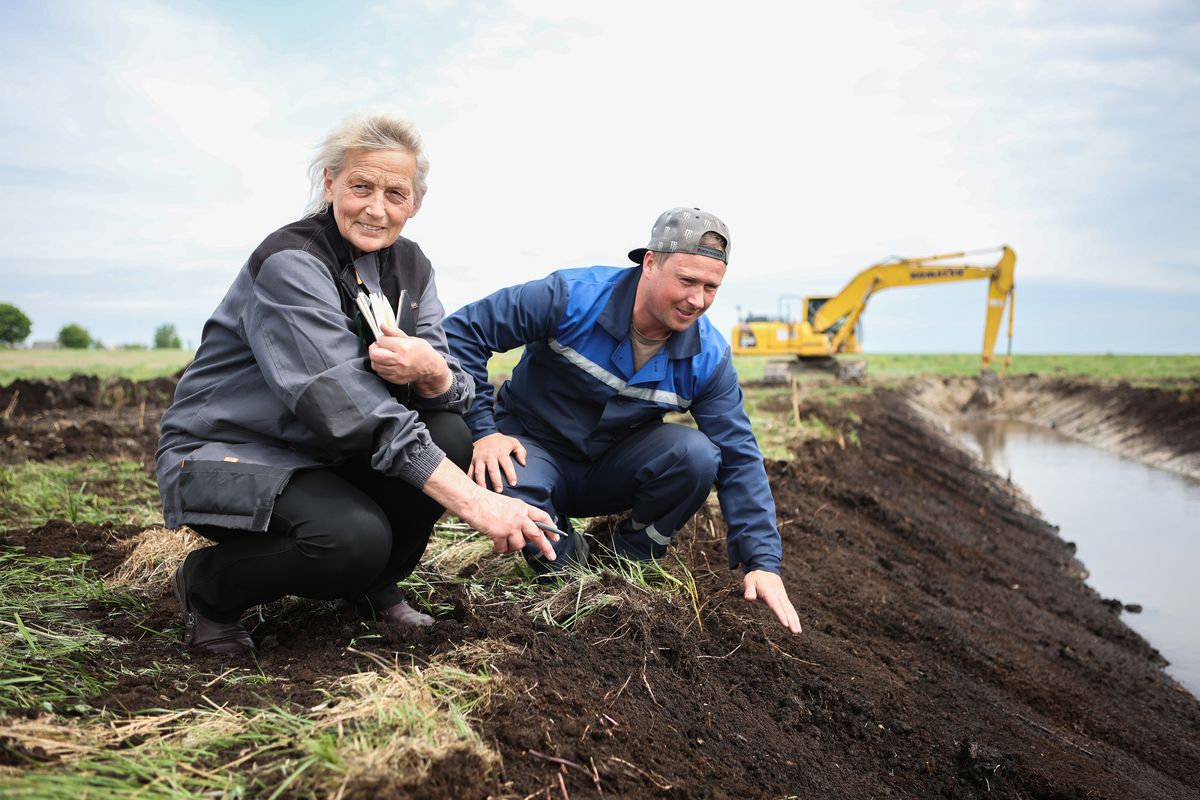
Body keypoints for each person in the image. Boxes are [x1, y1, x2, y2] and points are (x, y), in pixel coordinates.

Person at [156, 111, 558, 655]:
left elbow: (451, 380)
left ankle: (368, 587)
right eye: (360, 187)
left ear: (415, 202)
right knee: (351, 540)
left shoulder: (411, 267)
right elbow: (348, 410)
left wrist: (434, 373)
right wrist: (478, 504)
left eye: (396, 193)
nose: (376, 208)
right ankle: (208, 588)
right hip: (226, 454)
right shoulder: (291, 262)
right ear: (329, 183)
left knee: (449, 432)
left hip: (321, 453)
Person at [443, 208, 802, 633]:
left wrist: (762, 561)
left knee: (698, 456)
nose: (697, 300)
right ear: (650, 262)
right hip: (533, 454)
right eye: (687, 281)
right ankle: (565, 566)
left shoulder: (708, 356)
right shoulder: (571, 296)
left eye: (711, 287)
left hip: (611, 468)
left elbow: (739, 454)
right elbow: (461, 333)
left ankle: (624, 563)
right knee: (523, 501)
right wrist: (484, 432)